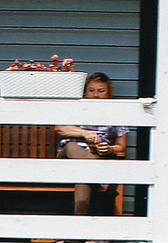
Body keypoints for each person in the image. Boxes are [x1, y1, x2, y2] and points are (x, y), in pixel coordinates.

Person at [53, 71, 132, 217]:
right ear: (85, 92)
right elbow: (60, 128)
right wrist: (84, 133)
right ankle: (103, 180)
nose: (96, 95)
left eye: (101, 91)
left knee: (84, 178)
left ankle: (78, 234)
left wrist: (109, 149)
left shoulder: (116, 113)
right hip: (66, 160)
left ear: (109, 93)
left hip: (94, 159)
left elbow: (121, 146)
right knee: (71, 146)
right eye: (91, 90)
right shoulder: (76, 108)